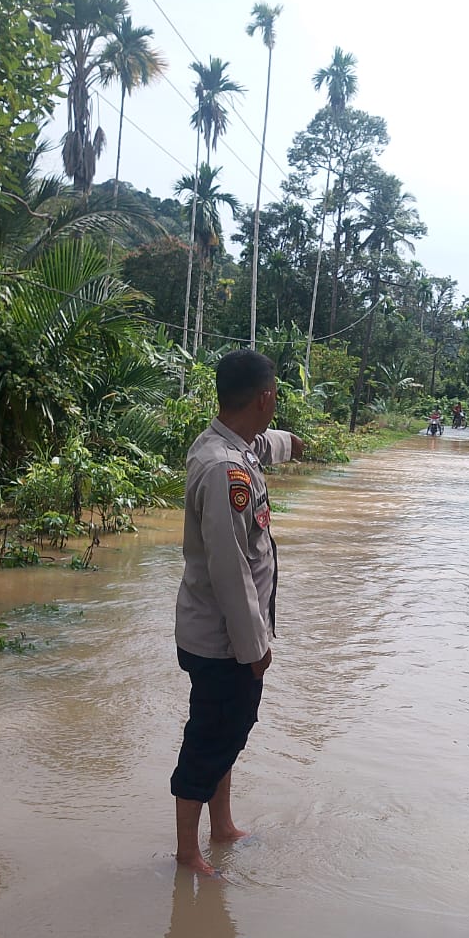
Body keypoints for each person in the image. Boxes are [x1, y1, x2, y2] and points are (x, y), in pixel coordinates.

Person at [171, 349, 303, 875]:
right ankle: (187, 853)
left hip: (217, 633)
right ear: (266, 398)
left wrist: (292, 443)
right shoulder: (225, 470)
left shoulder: (227, 444)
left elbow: (263, 445)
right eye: (276, 397)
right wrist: (254, 648)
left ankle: (221, 825)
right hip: (223, 641)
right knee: (210, 737)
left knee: (226, 732)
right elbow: (230, 571)